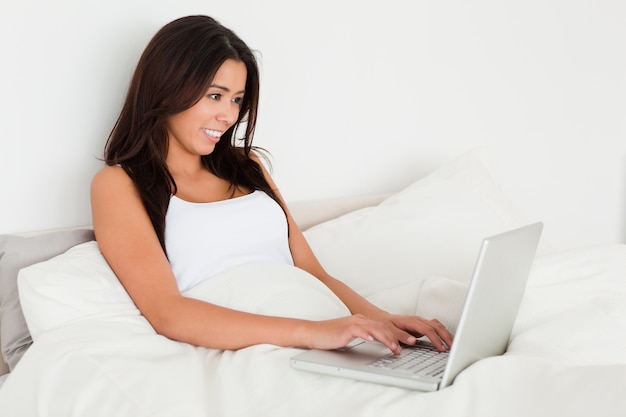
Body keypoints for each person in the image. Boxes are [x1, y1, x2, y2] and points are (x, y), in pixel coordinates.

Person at [90, 15, 453, 355]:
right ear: (167, 89)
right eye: (214, 96)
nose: (228, 115)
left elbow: (312, 272)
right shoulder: (120, 184)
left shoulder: (248, 167)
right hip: (262, 345)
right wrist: (313, 333)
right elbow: (168, 312)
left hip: (327, 328)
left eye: (236, 100)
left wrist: (383, 320)